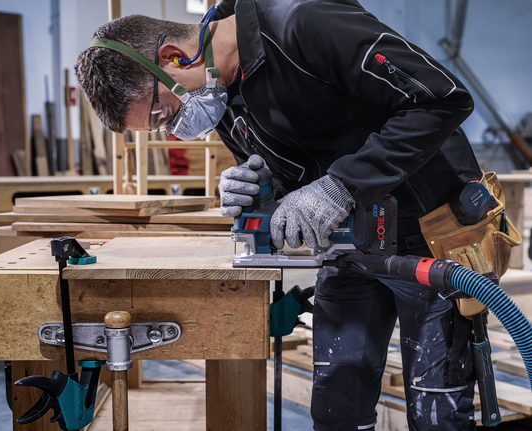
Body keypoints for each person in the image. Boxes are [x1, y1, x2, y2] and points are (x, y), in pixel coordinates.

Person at [75, 1, 485, 429]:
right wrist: (257, 188)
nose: (177, 131)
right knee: (336, 412)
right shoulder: (219, 92)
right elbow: (296, 173)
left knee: (438, 413)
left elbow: (441, 98)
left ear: (172, 58)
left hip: (433, 231)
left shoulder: (301, 23)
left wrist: (341, 186)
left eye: (163, 115)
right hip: (348, 245)